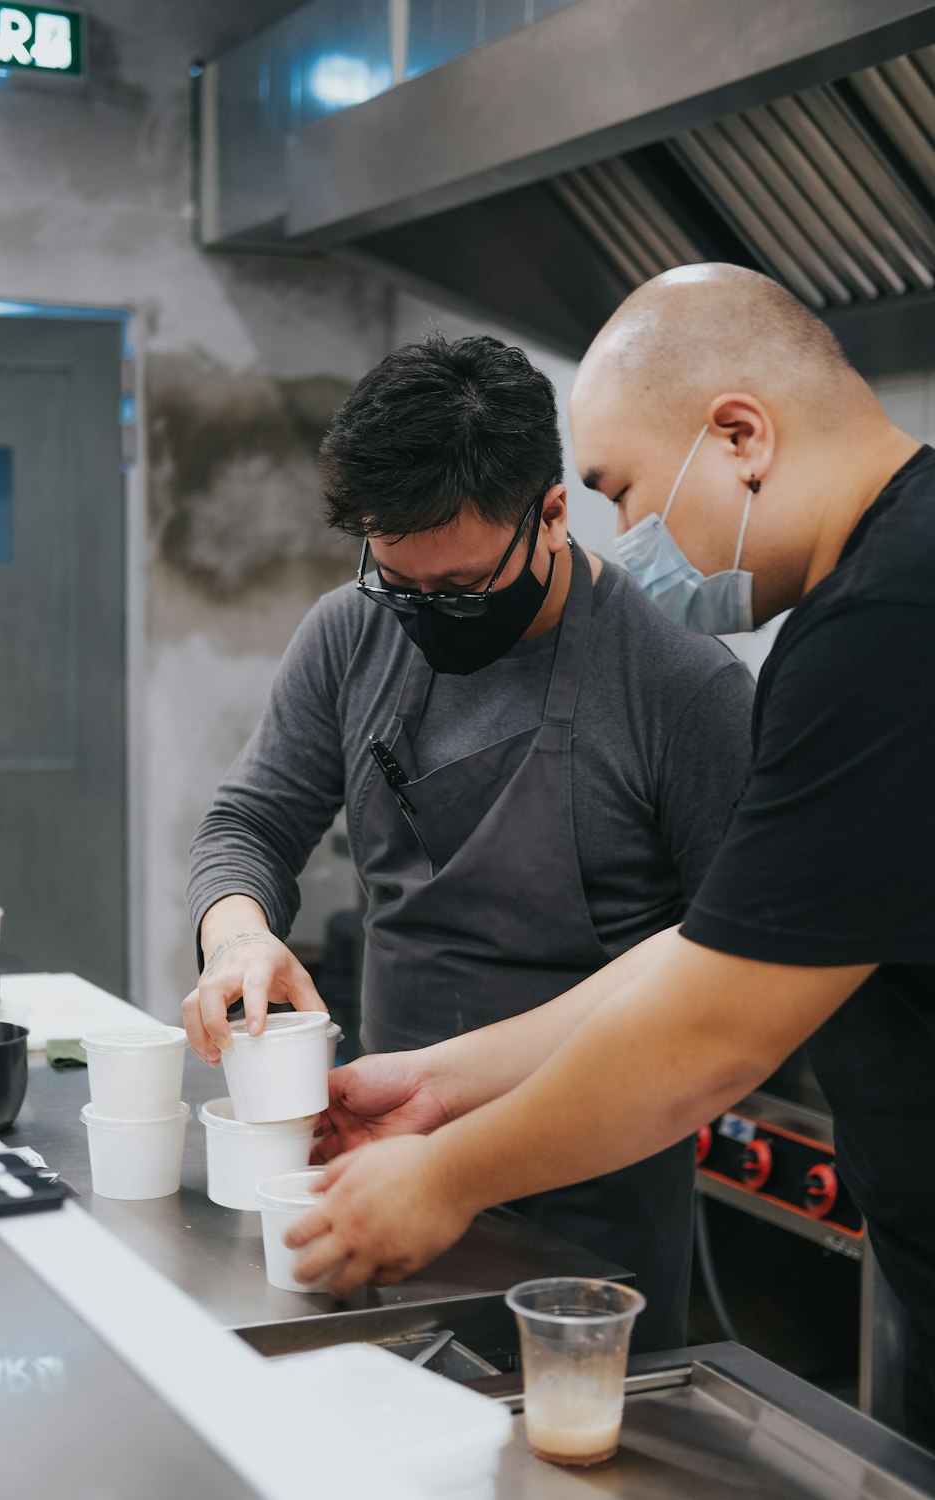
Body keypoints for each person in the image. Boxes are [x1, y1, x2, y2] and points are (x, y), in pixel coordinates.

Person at [285, 266, 935, 1446]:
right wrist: (439, 1085)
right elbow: (709, 951)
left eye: (623, 491)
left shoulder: (887, 626)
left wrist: (444, 1176)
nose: (630, 543)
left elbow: (716, 1030)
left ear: (738, 436)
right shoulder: (868, 606)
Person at [185, 332, 755, 1352]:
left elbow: (733, 974)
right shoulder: (351, 633)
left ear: (550, 513)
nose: (422, 616)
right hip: (374, 1156)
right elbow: (249, 822)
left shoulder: (681, 687)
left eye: (455, 592)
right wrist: (236, 938)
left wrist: (468, 1155)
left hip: (591, 1207)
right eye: (397, 583)